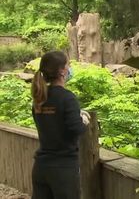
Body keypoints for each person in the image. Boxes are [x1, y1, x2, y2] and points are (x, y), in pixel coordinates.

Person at [30, 51, 90, 199]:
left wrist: (74, 113)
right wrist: (83, 120)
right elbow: (77, 128)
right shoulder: (67, 97)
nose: (70, 68)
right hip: (63, 169)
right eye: (68, 65)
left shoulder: (39, 98)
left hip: (41, 168)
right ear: (62, 70)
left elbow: (51, 119)